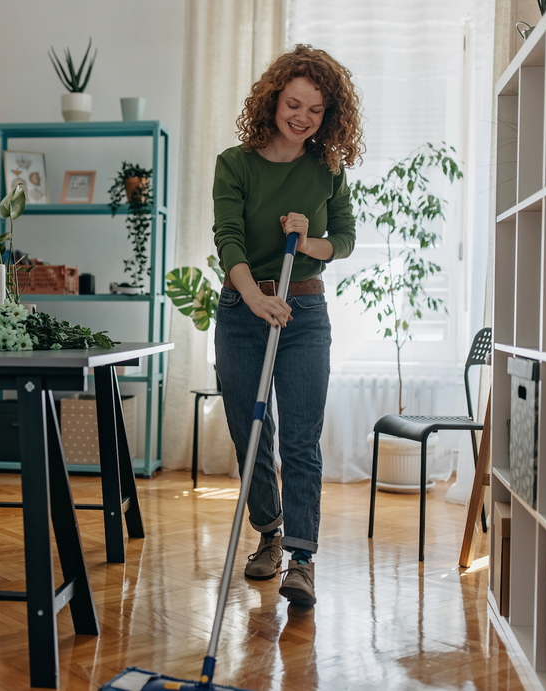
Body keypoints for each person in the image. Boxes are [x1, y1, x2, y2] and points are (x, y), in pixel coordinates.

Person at [212, 44, 363, 607]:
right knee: (250, 433)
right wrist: (252, 296)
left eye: (316, 110)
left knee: (300, 438)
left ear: (329, 115)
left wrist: (311, 236)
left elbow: (344, 239)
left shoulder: (326, 168)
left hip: (304, 313)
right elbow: (227, 237)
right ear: (273, 100)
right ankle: (269, 534)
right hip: (241, 310)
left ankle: (301, 557)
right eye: (293, 104)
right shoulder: (236, 163)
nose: (302, 117)